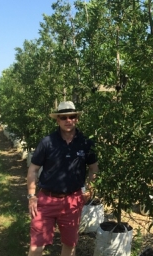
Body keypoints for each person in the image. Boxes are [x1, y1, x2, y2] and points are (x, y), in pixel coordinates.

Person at [27, 101, 99, 256]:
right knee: (36, 245)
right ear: (57, 120)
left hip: (72, 201)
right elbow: (33, 170)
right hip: (46, 200)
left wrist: (89, 189)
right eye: (63, 117)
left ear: (77, 119)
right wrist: (32, 196)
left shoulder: (85, 143)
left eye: (71, 116)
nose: (68, 120)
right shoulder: (47, 142)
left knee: (69, 243)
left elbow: (93, 169)